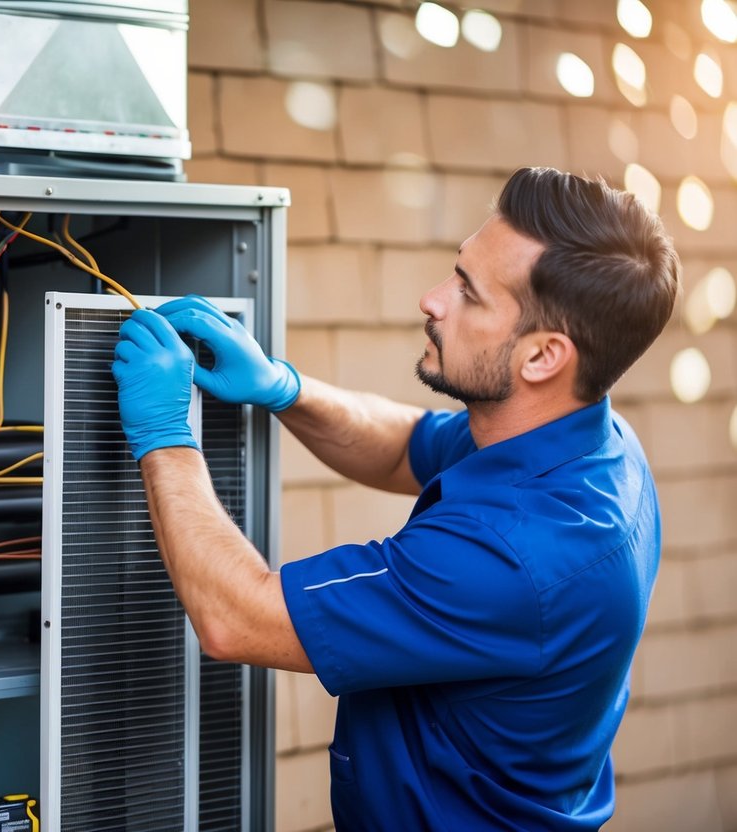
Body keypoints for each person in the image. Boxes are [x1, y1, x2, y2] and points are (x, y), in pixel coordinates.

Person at [110, 167, 681, 831]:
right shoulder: (581, 441)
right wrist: (281, 387)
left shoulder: (514, 558)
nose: (431, 300)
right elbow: (402, 443)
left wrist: (163, 436)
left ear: (541, 357)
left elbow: (235, 618)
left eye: (467, 293)